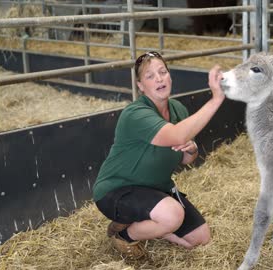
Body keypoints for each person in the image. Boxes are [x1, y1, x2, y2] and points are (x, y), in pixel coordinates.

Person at [93, 51, 225, 259]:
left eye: (162, 72)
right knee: (173, 215)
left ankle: (145, 223)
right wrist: (216, 99)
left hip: (156, 189)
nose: (159, 78)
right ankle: (124, 235)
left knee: (200, 239)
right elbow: (176, 135)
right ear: (140, 86)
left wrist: (192, 149)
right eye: (150, 76)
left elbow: (185, 159)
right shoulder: (135, 114)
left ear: (170, 76)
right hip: (118, 190)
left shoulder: (177, 109)